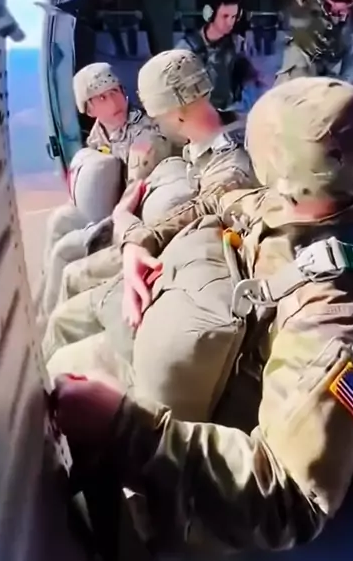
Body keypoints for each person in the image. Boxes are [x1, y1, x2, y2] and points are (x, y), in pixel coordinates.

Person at [52, 76, 353, 556]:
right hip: (208, 343)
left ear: (278, 164)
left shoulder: (339, 323)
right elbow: (218, 200)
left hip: (214, 445)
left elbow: (290, 499)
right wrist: (140, 242)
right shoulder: (292, 204)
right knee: (63, 336)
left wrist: (124, 428)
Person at [42, 48, 257, 373]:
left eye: (158, 116)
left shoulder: (229, 170)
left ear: (176, 115)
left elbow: (195, 214)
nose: (153, 122)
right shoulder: (203, 140)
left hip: (186, 270)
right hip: (169, 247)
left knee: (71, 292)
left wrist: (127, 226)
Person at [39, 62, 172, 320]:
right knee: (58, 220)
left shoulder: (144, 136)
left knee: (63, 251)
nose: (112, 101)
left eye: (114, 91)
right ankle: (46, 297)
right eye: (101, 97)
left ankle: (49, 319)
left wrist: (102, 226)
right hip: (108, 207)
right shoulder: (99, 134)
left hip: (131, 218)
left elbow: (135, 194)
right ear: (88, 109)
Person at [176, 0, 261, 112]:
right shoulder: (186, 48)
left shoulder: (238, 44)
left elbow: (251, 79)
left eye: (234, 17)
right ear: (209, 14)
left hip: (231, 111)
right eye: (225, 16)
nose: (230, 22)